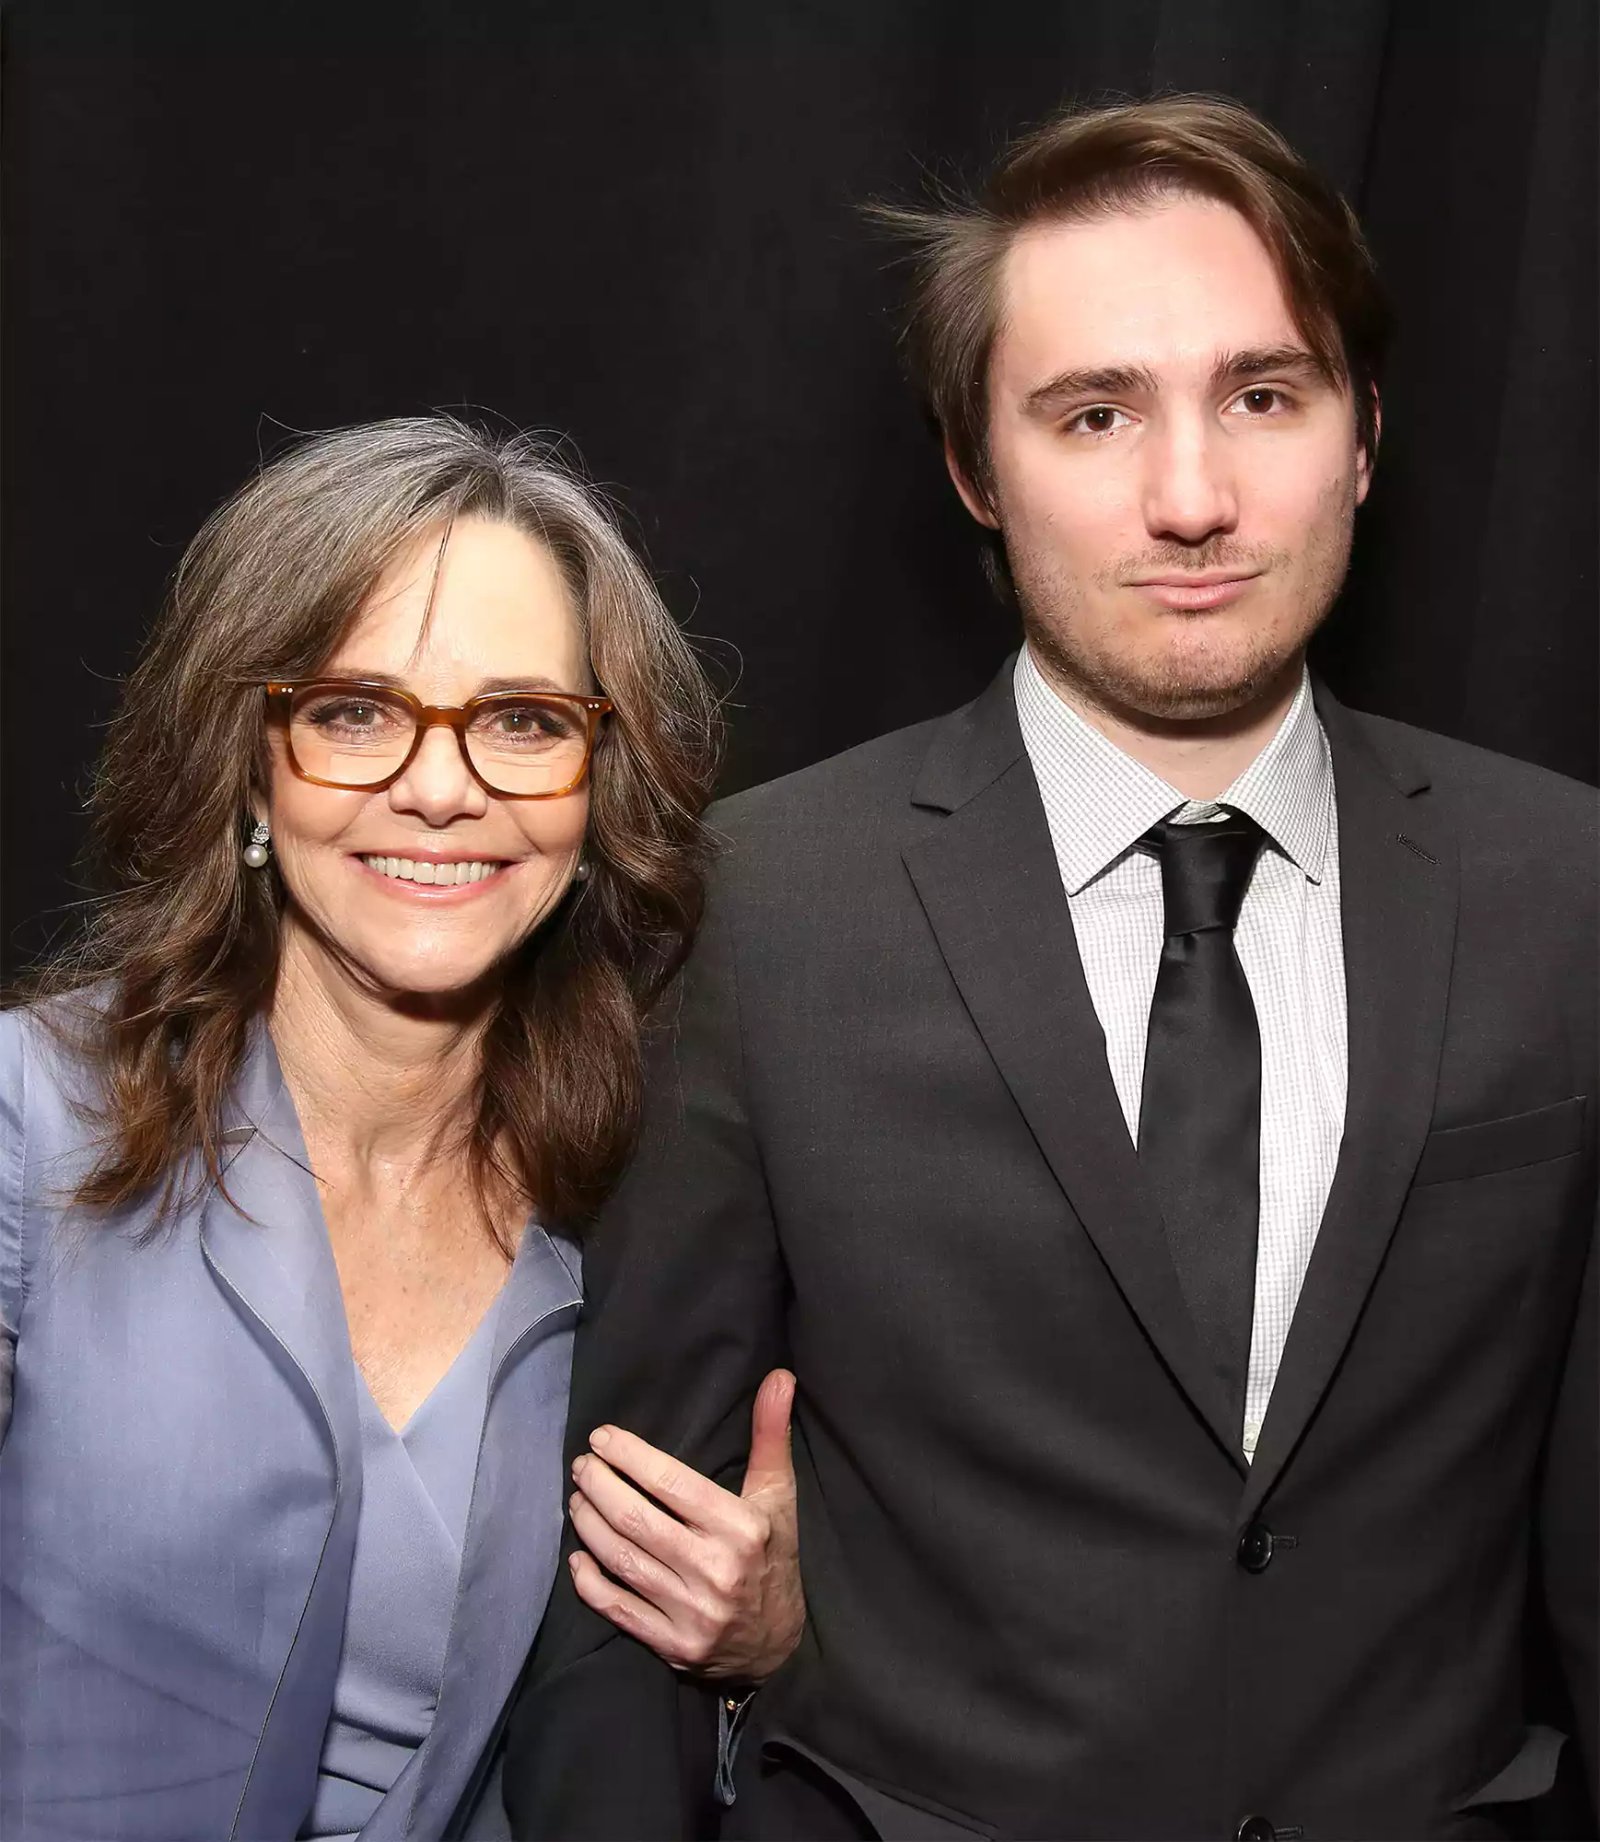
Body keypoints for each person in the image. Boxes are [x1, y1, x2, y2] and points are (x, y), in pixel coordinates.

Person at [503, 97, 1598, 1840]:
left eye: (1264, 394)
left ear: (1366, 432)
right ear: (974, 465)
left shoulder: (1567, 887)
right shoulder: (761, 908)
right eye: (1095, 413)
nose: (1193, 497)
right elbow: (626, 1574)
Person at [0, 417, 803, 1841]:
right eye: (357, 709)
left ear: (596, 786)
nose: (440, 787)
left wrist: (765, 1644)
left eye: (523, 721)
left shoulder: (653, 1189)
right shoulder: (31, 1127)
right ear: (251, 763)